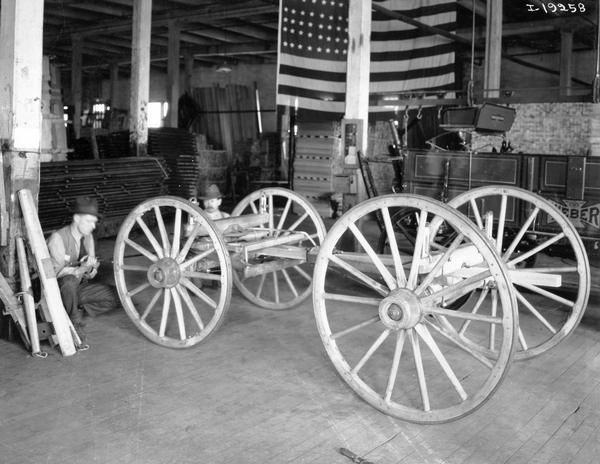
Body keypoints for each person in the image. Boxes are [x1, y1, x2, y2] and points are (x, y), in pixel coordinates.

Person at [47, 196, 118, 328]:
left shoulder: (88, 237)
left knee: (114, 296)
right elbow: (52, 276)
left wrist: (90, 269)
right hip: (58, 291)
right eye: (89, 221)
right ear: (76, 219)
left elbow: (90, 274)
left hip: (78, 286)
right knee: (69, 282)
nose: (93, 226)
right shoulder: (58, 238)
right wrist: (81, 269)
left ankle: (76, 307)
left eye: (94, 222)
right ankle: (72, 320)